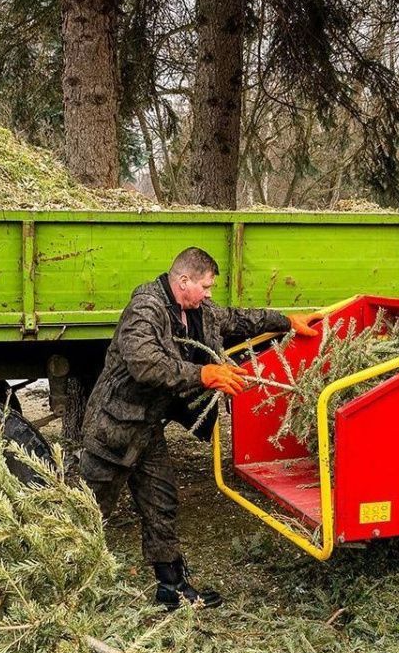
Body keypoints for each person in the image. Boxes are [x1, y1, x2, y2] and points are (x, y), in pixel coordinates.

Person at [79, 247, 318, 610]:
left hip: (147, 428)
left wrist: (285, 321)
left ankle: (172, 587)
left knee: (161, 502)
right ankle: (54, 581)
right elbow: (145, 363)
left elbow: (238, 319)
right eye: (205, 286)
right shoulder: (146, 308)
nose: (208, 294)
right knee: (86, 508)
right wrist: (203, 374)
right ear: (183, 281)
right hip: (114, 426)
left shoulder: (197, 311)